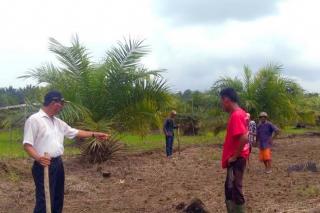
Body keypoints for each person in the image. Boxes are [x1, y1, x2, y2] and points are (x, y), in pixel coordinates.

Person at [23, 91, 109, 213]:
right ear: (53, 103)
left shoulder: (58, 122)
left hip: (58, 164)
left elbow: (75, 132)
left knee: (58, 198)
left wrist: (95, 134)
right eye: (61, 104)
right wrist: (39, 158)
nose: (61, 108)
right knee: (44, 200)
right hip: (44, 165)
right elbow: (27, 145)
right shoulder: (34, 120)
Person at [220, 88, 249, 213]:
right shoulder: (241, 113)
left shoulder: (236, 115)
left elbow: (244, 137)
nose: (221, 105)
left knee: (235, 190)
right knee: (230, 189)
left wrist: (234, 156)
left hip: (236, 159)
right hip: (238, 158)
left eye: (221, 101)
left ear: (226, 100)